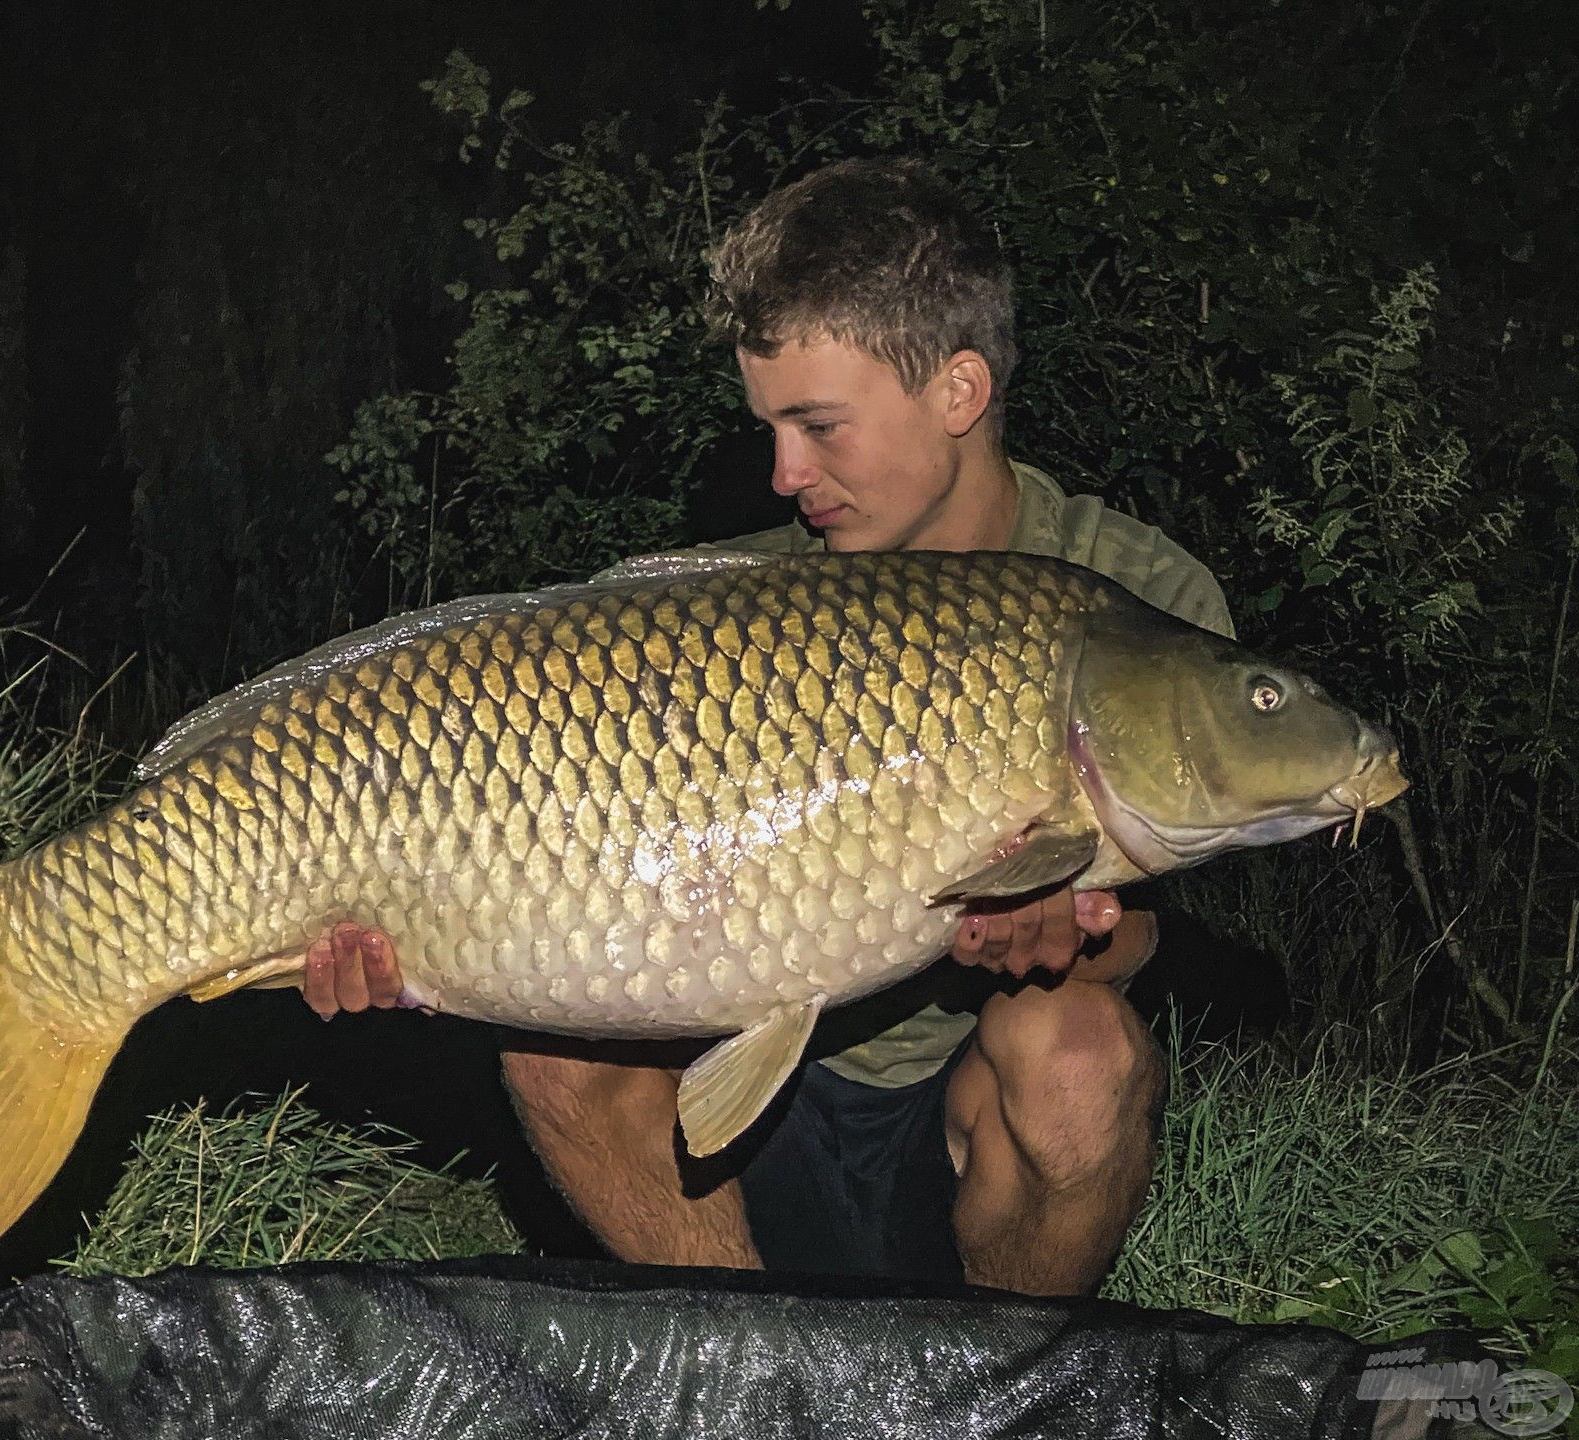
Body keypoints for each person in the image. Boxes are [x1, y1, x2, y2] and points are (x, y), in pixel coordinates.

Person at [299, 158, 1234, 1296]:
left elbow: (1146, 938)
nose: (788, 473)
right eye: (770, 428)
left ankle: (999, 1386)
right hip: (730, 1163)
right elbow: (558, 867)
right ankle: (751, 1372)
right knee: (550, 1046)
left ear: (959, 391)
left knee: (1079, 1054)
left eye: (821, 426)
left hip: (964, 1142)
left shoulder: (1134, 598)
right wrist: (404, 936)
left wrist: (1076, 926)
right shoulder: (729, 615)